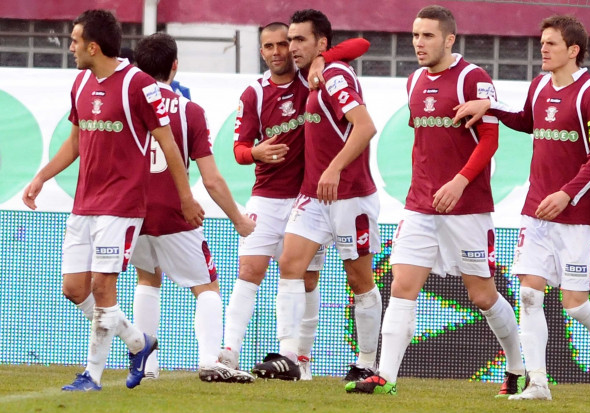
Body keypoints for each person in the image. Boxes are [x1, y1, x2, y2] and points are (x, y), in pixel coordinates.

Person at [346, 5, 525, 397]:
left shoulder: (473, 78)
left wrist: (460, 182)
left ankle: (516, 367)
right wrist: (425, 188)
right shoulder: (412, 81)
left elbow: (490, 140)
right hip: (421, 205)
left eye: (427, 35)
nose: (418, 43)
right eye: (414, 35)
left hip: (467, 207)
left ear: (449, 39)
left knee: (482, 295)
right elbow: (426, 145)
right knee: (401, 286)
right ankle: (385, 376)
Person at [22, 9, 204, 392]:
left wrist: (186, 198)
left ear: (93, 45)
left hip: (121, 206)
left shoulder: (138, 84)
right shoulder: (80, 83)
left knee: (104, 289)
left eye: (74, 40)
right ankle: (139, 343)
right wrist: (41, 176)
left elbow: (168, 144)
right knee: (74, 289)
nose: (70, 47)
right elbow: (74, 143)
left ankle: (92, 375)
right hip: (84, 204)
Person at [453, 14, 590, 401]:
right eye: (542, 42)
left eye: (551, 43)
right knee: (530, 294)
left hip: (576, 216)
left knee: (575, 305)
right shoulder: (539, 85)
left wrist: (567, 193)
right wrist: (490, 107)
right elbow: (525, 120)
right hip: (536, 211)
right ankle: (538, 383)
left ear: (573, 50)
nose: (543, 49)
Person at [216, 22, 370, 382]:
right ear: (261, 51)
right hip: (267, 196)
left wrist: (323, 60)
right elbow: (238, 149)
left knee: (307, 278)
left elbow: (361, 43)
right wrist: (255, 151)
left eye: (282, 44)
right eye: (267, 46)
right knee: (249, 271)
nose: (275, 52)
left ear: (294, 47)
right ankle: (229, 350)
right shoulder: (254, 93)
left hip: (307, 198)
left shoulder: (312, 80)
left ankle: (301, 358)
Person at [251, 9, 382, 383]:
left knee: (359, 280)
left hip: (350, 196)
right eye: (289, 39)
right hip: (313, 198)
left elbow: (365, 126)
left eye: (300, 40)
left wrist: (334, 167)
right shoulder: (316, 73)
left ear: (321, 43)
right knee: (290, 264)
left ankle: (367, 361)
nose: (291, 47)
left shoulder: (335, 75)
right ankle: (290, 356)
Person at [127, 33, 256, 383]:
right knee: (206, 285)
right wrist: (239, 220)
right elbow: (211, 179)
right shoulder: (189, 111)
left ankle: (147, 367)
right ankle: (208, 360)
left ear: (137, 65)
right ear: (175, 66)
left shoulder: (126, 104)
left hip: (132, 210)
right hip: (174, 212)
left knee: (147, 278)